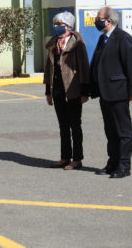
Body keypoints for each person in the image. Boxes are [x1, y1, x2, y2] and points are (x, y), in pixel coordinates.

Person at [90, 7, 132, 179]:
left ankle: (124, 166)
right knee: (110, 131)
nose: (97, 20)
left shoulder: (122, 38)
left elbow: (130, 67)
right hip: (105, 93)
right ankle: (112, 163)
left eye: (99, 18)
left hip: (118, 92)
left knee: (123, 131)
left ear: (109, 20)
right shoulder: (103, 38)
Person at [44, 11, 90, 170]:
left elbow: (84, 67)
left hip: (73, 89)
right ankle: (65, 157)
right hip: (57, 89)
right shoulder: (53, 43)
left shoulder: (77, 43)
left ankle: (77, 159)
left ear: (68, 26)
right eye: (55, 24)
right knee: (63, 125)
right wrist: (48, 92)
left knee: (75, 125)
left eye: (60, 24)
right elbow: (48, 69)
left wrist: (85, 91)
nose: (56, 27)